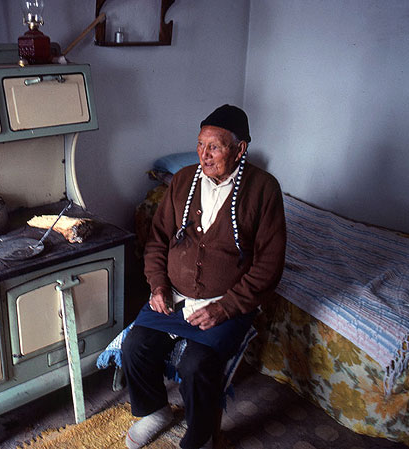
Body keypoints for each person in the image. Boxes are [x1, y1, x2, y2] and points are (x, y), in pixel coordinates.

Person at [122, 105, 287, 449]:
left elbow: (269, 265)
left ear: (240, 149)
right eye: (200, 145)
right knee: (135, 345)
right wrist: (157, 285)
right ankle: (155, 411)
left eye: (215, 146)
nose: (204, 154)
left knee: (197, 366)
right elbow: (157, 240)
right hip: (174, 296)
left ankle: (200, 439)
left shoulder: (264, 189)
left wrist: (226, 307)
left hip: (225, 304)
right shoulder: (183, 180)